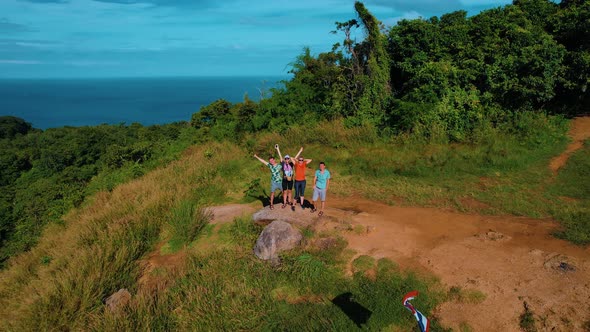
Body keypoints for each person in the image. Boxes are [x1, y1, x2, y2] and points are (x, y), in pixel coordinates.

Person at [275, 145, 295, 209]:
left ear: (289, 159)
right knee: (285, 191)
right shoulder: (283, 164)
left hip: (290, 179)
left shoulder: (291, 164)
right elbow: (280, 157)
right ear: (285, 159)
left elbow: (295, 157)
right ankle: (284, 203)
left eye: (288, 158)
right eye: (286, 158)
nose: (287, 159)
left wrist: (300, 151)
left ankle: (289, 201)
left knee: (290, 191)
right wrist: (278, 149)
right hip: (284, 179)